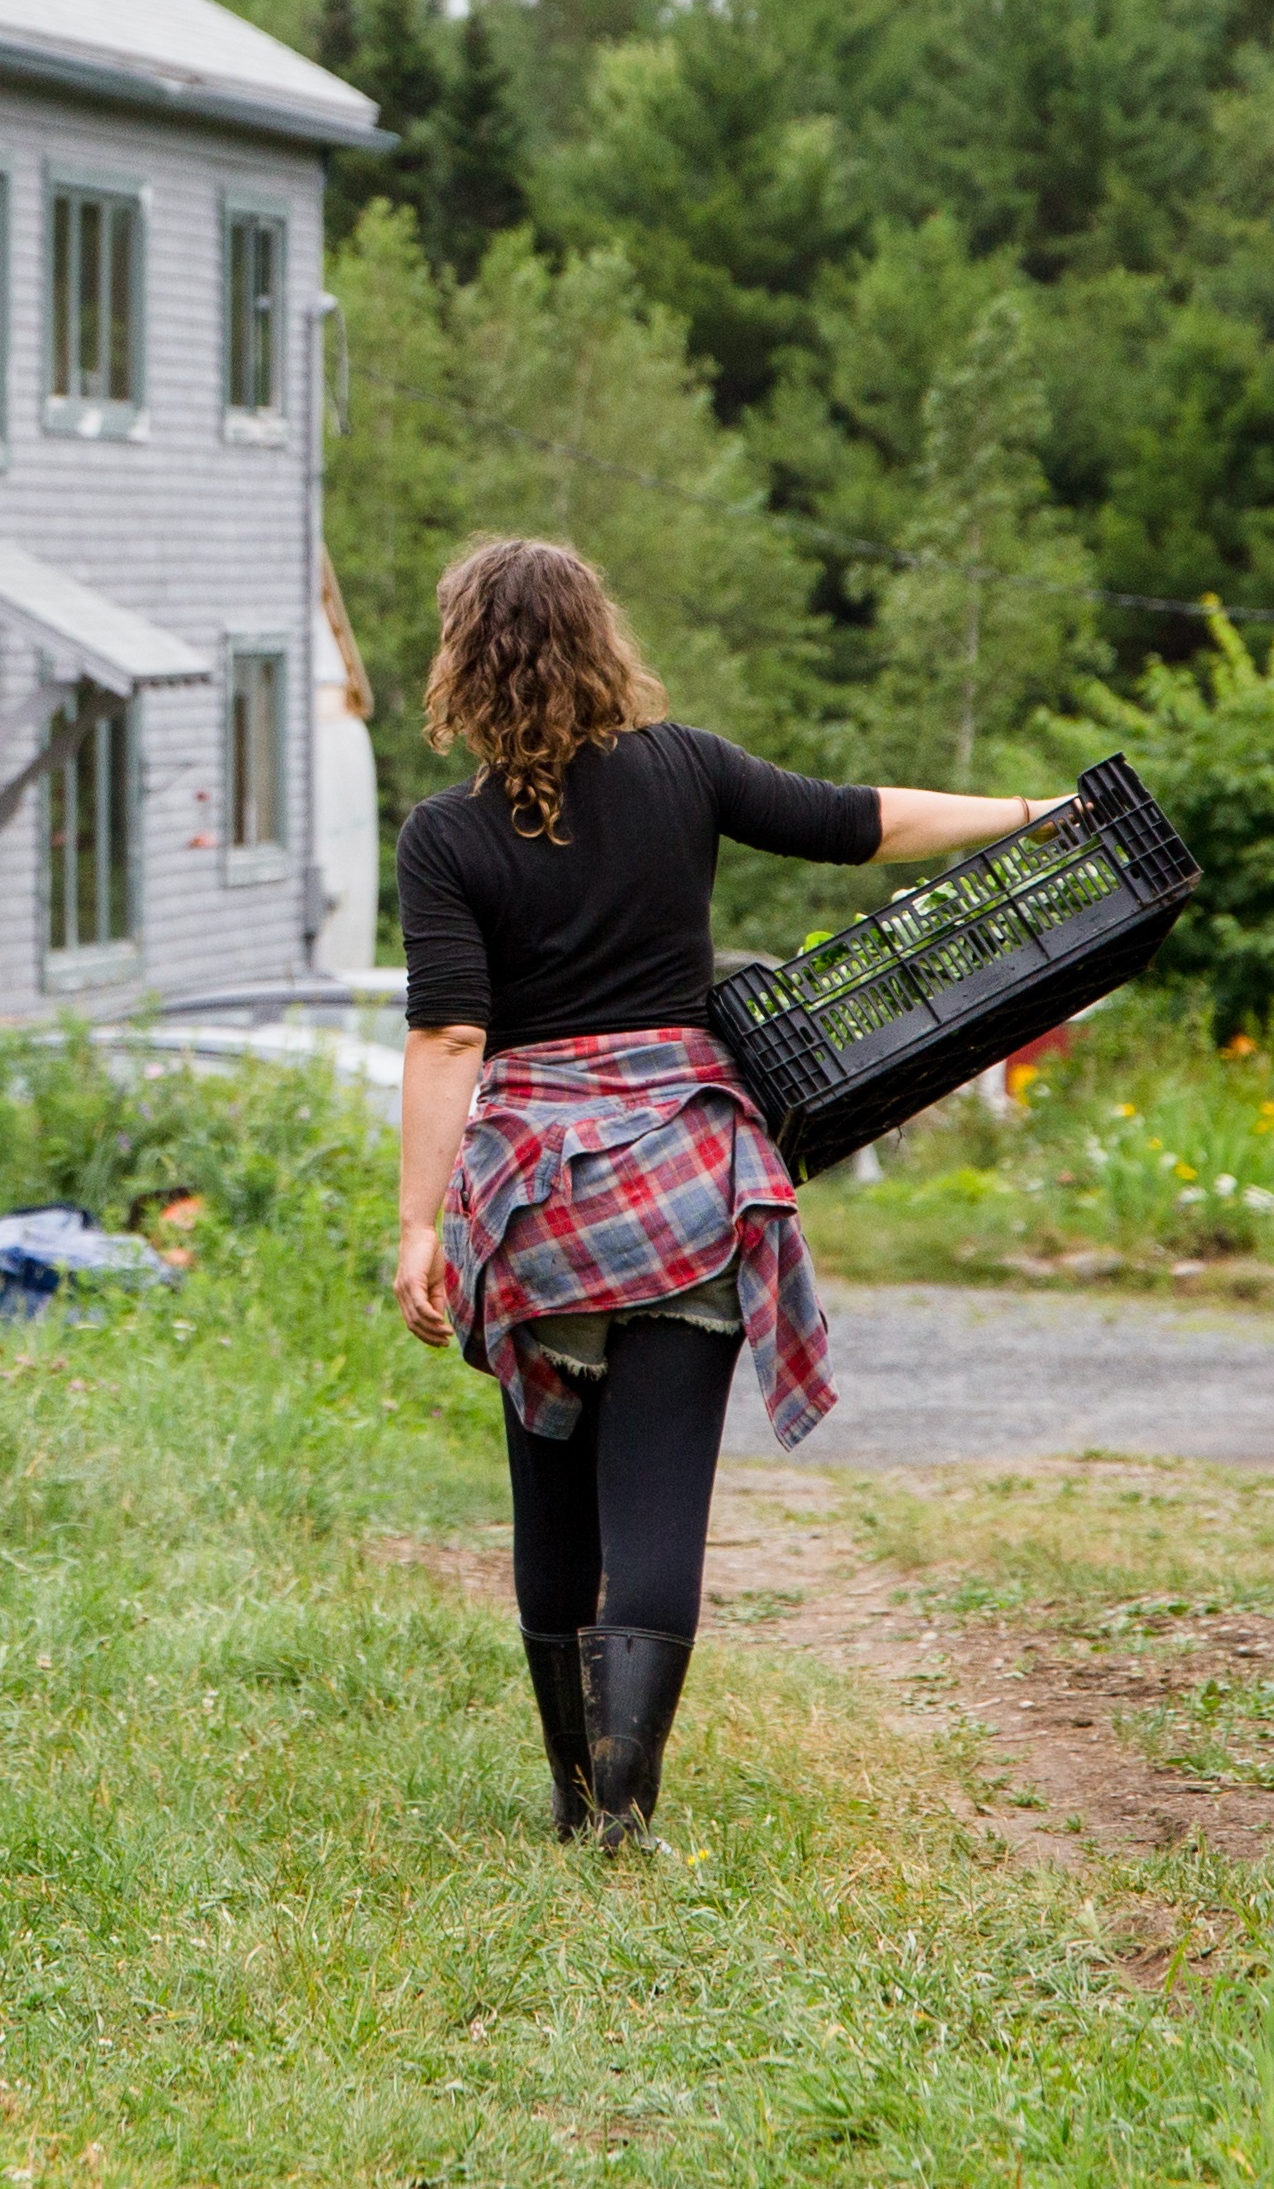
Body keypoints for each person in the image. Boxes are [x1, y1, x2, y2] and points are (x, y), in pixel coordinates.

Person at [390, 536, 1061, 1848]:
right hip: (689, 1185)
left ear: (461, 665)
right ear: (600, 644)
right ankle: (625, 1816)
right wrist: (1036, 817)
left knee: (551, 1503)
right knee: (655, 1506)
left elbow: (450, 1042)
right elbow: (864, 822)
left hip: (538, 1211)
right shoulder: (683, 770)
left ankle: (569, 1797)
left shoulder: (445, 837)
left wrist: (418, 1223)